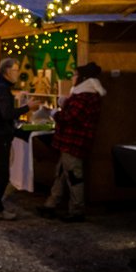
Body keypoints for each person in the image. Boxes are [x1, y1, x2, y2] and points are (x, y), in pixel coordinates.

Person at [37, 62, 105, 222]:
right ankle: (51, 204)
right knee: (61, 173)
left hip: (74, 142)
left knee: (74, 176)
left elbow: (69, 118)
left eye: (75, 75)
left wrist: (54, 112)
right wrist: (64, 103)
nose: (72, 77)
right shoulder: (82, 95)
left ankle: (77, 210)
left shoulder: (85, 96)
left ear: (83, 78)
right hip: (68, 142)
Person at [0, 58, 40, 220]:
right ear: (6, 71)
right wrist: (28, 107)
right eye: (15, 70)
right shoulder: (2, 88)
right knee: (2, 172)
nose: (18, 74)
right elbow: (7, 113)